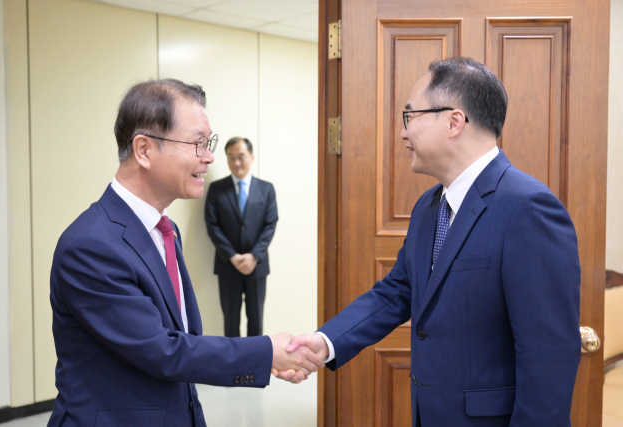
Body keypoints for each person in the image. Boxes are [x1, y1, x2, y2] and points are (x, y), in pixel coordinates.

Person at [282, 57, 581, 427]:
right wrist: (325, 342)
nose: (403, 133)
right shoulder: (429, 205)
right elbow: (398, 291)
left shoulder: (527, 207)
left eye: (411, 117)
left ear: (454, 121)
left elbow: (548, 358)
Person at [47, 79, 321, 427]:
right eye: (197, 143)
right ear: (144, 150)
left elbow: (184, 341)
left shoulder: (166, 231)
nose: (208, 157)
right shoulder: (90, 246)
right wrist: (265, 352)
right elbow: (162, 351)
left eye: (209, 144)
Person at [204, 137, 277, 338]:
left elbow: (270, 225)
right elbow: (212, 225)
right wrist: (233, 256)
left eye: (241, 157)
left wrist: (254, 256)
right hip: (228, 265)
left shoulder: (266, 189)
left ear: (251, 157)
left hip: (257, 266)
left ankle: (255, 367)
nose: (237, 163)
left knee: (256, 320)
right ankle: (232, 368)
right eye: (231, 157)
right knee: (230, 321)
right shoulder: (216, 189)